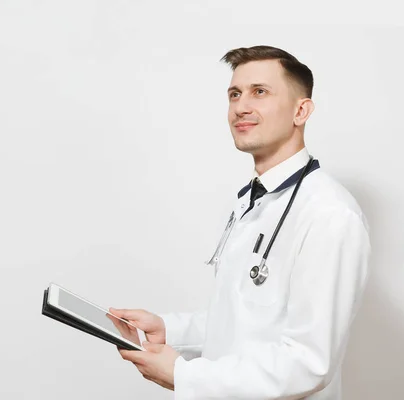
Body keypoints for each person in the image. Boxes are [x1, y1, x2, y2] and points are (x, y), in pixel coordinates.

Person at [109, 45, 371, 399]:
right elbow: (242, 321)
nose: (241, 107)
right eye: (234, 94)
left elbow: (309, 364)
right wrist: (167, 329)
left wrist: (184, 376)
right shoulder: (252, 200)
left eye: (259, 92)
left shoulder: (330, 214)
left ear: (301, 110)